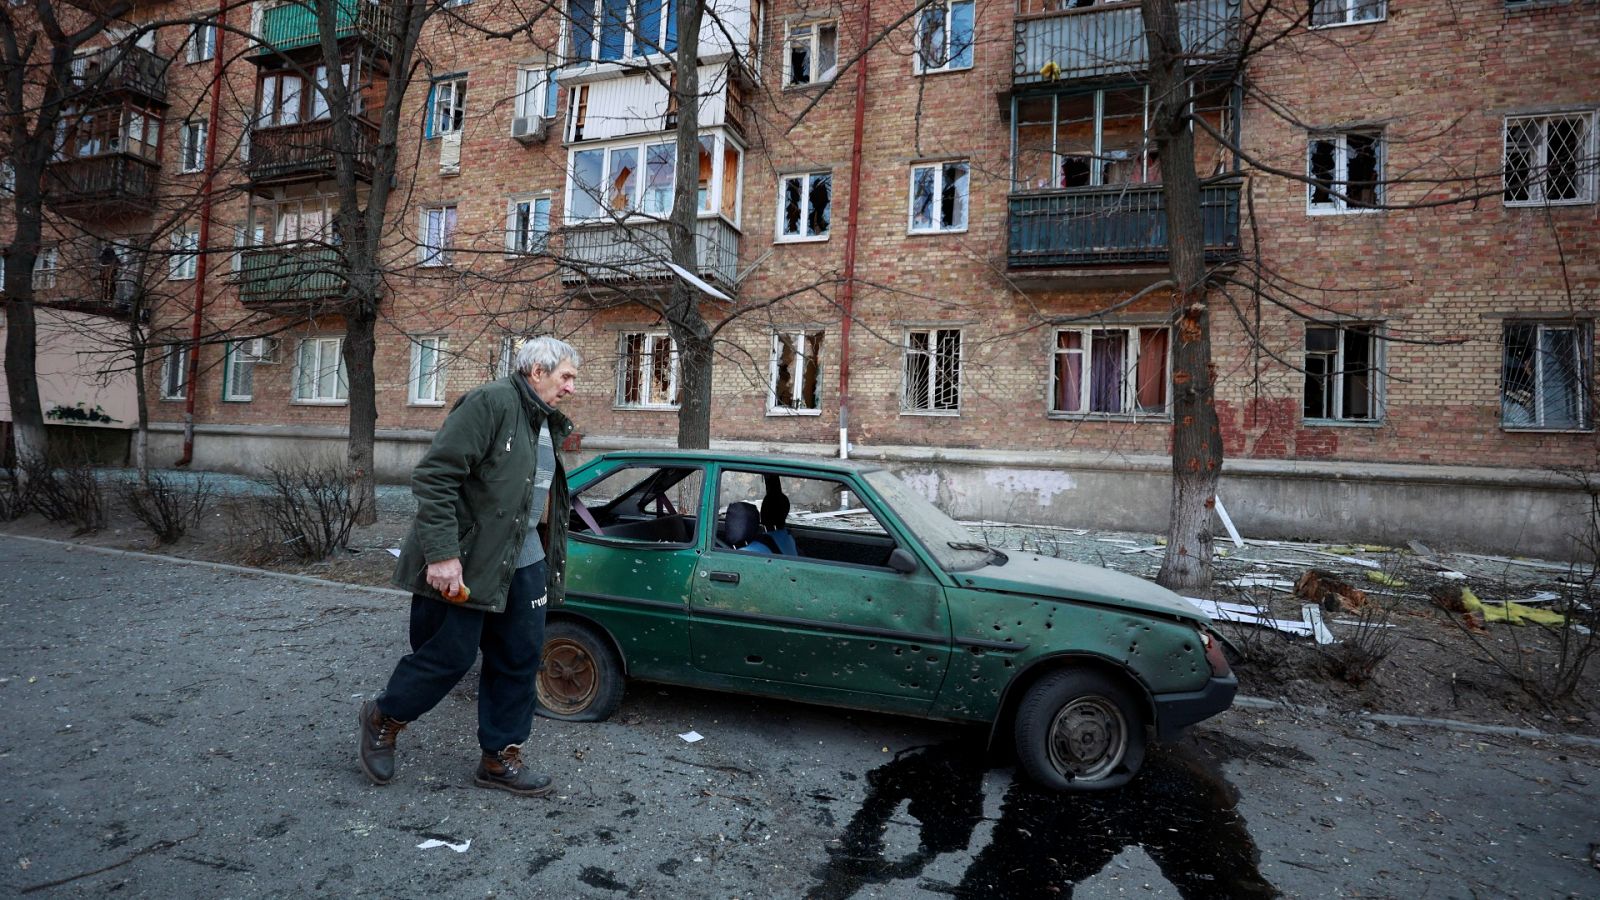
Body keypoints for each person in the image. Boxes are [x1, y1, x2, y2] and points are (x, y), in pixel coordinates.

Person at [357, 335, 580, 797]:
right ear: (537, 372)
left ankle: (499, 758)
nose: (572, 388)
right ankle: (384, 718)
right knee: (448, 656)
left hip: (525, 560)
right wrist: (441, 555)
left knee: (519, 658)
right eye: (567, 377)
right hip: (470, 559)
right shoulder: (489, 402)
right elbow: (435, 477)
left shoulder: (544, 420)